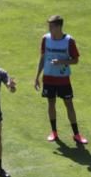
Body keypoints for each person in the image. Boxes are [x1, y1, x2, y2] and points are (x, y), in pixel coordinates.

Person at [34, 15, 88, 144]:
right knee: (51, 103)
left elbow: (75, 60)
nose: (49, 28)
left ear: (59, 27)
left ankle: (76, 134)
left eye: (51, 26)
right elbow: (42, 57)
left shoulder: (69, 41)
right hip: (48, 78)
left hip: (63, 79)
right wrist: (37, 77)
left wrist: (61, 61)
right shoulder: (45, 39)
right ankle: (54, 132)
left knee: (69, 104)